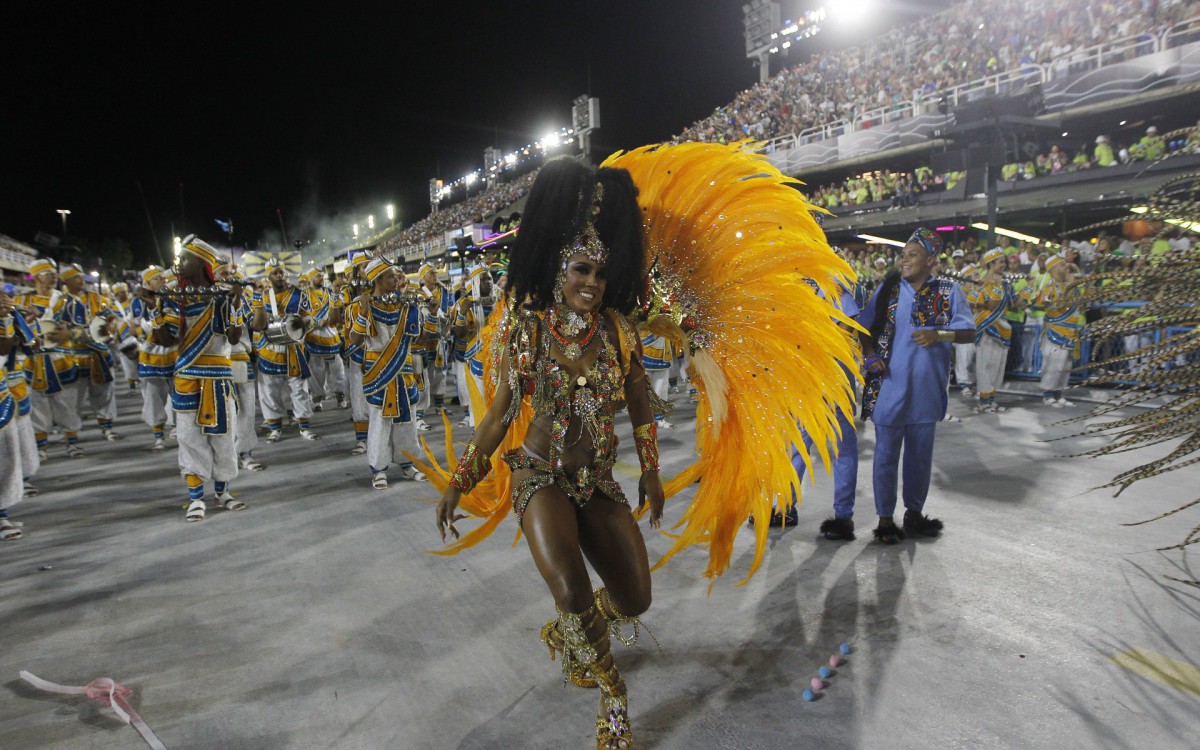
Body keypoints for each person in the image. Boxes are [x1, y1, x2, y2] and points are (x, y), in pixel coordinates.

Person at [436, 159, 662, 750]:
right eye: (581, 269)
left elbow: (640, 402)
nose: (591, 282)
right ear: (560, 269)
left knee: (636, 596)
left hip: (600, 481)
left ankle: (573, 635)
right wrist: (461, 479)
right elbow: (501, 414)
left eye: (601, 274)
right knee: (570, 587)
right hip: (541, 477)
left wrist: (653, 474)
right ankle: (613, 693)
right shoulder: (530, 328)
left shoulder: (616, 331)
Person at [859, 228, 975, 543]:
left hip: (927, 390)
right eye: (903, 254)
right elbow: (863, 328)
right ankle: (885, 519)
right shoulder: (888, 289)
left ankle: (914, 514)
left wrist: (940, 335)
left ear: (930, 259)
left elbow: (967, 333)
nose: (904, 260)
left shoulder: (950, 290)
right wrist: (870, 359)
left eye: (912, 254)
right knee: (885, 457)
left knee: (920, 457)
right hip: (889, 390)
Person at [149, 237, 246, 521]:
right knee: (190, 439)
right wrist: (157, 312)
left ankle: (223, 492)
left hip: (218, 377)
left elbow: (234, 337)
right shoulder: (174, 298)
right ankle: (195, 498)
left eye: (186, 258)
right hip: (187, 376)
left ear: (202, 264)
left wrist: (235, 304)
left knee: (224, 438)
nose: (179, 263)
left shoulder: (221, 297)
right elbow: (166, 341)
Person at [346, 259, 427, 488]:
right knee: (380, 422)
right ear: (378, 280)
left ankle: (407, 464)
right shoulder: (363, 304)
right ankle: (378, 469)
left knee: (407, 420)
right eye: (391, 276)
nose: (397, 280)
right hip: (379, 372)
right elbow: (355, 339)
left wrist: (410, 304)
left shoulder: (403, 303)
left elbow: (415, 335)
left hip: (403, 369)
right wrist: (363, 310)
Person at [14, 259, 80, 459]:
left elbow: (82, 328)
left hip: (62, 359)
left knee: (67, 403)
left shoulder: (68, 301)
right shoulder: (22, 302)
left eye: (54, 273)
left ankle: (72, 443)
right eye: (47, 273)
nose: (53, 277)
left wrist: (68, 335)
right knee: (37, 405)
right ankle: (41, 447)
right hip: (34, 361)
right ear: (35, 277)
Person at [250, 258, 319, 441]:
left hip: (294, 350)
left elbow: (311, 318)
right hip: (269, 350)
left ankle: (304, 426)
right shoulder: (262, 296)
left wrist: (303, 322)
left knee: (299, 389)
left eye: (281, 272)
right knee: (270, 391)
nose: (279, 276)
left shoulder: (299, 294)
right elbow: (256, 325)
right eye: (275, 273)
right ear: (269, 276)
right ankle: (275, 428)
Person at [53, 264, 121, 442]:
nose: (81, 280)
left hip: (99, 355)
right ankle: (71, 438)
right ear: (66, 281)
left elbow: (112, 317)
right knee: (72, 399)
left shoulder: (96, 298)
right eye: (76, 277)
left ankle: (107, 428)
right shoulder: (61, 302)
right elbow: (58, 329)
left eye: (81, 277)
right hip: (74, 356)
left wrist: (111, 325)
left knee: (103, 394)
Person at [134, 265, 176, 450]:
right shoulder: (138, 302)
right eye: (157, 278)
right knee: (153, 397)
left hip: (174, 353)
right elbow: (132, 327)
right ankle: (158, 434)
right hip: (150, 356)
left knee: (179, 393)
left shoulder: (171, 298)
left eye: (163, 278)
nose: (162, 281)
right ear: (147, 282)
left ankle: (177, 428)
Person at [1035, 255, 1081, 407]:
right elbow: (1050, 307)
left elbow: (1080, 302)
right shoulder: (1049, 286)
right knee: (1054, 364)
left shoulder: (1069, 284)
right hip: (1055, 331)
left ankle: (1059, 393)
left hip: (1070, 330)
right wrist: (1069, 287)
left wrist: (1072, 281)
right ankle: (1048, 395)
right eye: (1062, 265)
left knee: (1066, 365)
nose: (1066, 267)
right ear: (1053, 269)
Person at [302, 269, 348, 411]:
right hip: (314, 340)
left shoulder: (330, 293)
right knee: (317, 372)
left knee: (338, 371)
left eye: (322, 276)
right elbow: (301, 317)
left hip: (332, 339)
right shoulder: (305, 296)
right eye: (318, 276)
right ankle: (317, 398)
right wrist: (316, 323)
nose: (321, 278)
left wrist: (329, 319)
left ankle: (340, 396)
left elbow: (340, 311)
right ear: (310, 279)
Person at [412, 262, 450, 429]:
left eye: (435, 273)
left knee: (440, 372)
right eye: (432, 273)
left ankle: (439, 405)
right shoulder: (418, 294)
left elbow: (447, 311)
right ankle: (419, 414)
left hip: (438, 338)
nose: (435, 276)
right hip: (422, 341)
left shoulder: (443, 291)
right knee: (422, 378)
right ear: (423, 277)